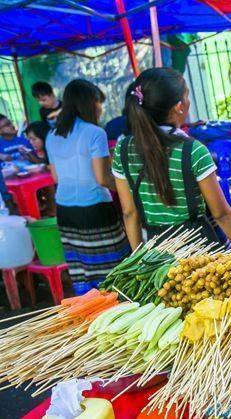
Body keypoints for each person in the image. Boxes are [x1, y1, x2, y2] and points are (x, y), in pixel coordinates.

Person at [112, 67, 231, 250]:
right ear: (179, 106)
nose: (188, 101)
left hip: (158, 256)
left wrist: (138, 259)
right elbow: (221, 214)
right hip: (201, 256)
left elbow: (129, 213)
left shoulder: (123, 150)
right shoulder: (193, 151)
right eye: (187, 96)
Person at [46, 79, 130, 284]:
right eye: (99, 102)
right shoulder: (95, 133)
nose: (101, 108)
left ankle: (89, 315)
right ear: (89, 102)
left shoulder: (51, 134)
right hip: (95, 211)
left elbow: (56, 178)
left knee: (82, 272)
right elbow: (102, 178)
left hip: (65, 212)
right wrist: (128, 188)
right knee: (115, 272)